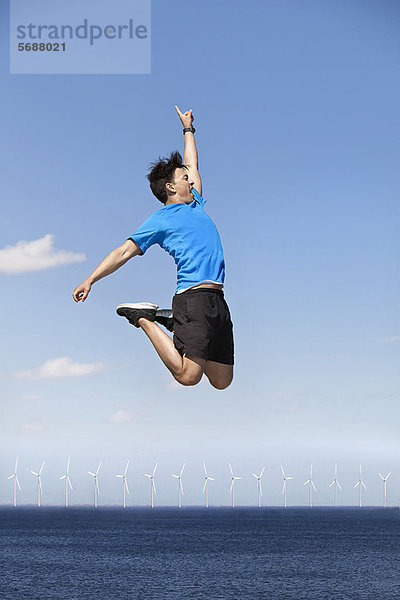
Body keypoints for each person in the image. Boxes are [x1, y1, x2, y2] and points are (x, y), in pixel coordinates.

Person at [73, 106, 234, 390]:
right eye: (183, 178)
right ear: (171, 188)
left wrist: (188, 129)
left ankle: (174, 324)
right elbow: (123, 251)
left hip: (217, 300)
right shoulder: (160, 219)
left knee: (222, 381)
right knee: (187, 376)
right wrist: (90, 279)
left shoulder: (195, 203)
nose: (189, 178)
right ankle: (144, 319)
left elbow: (192, 164)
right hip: (192, 298)